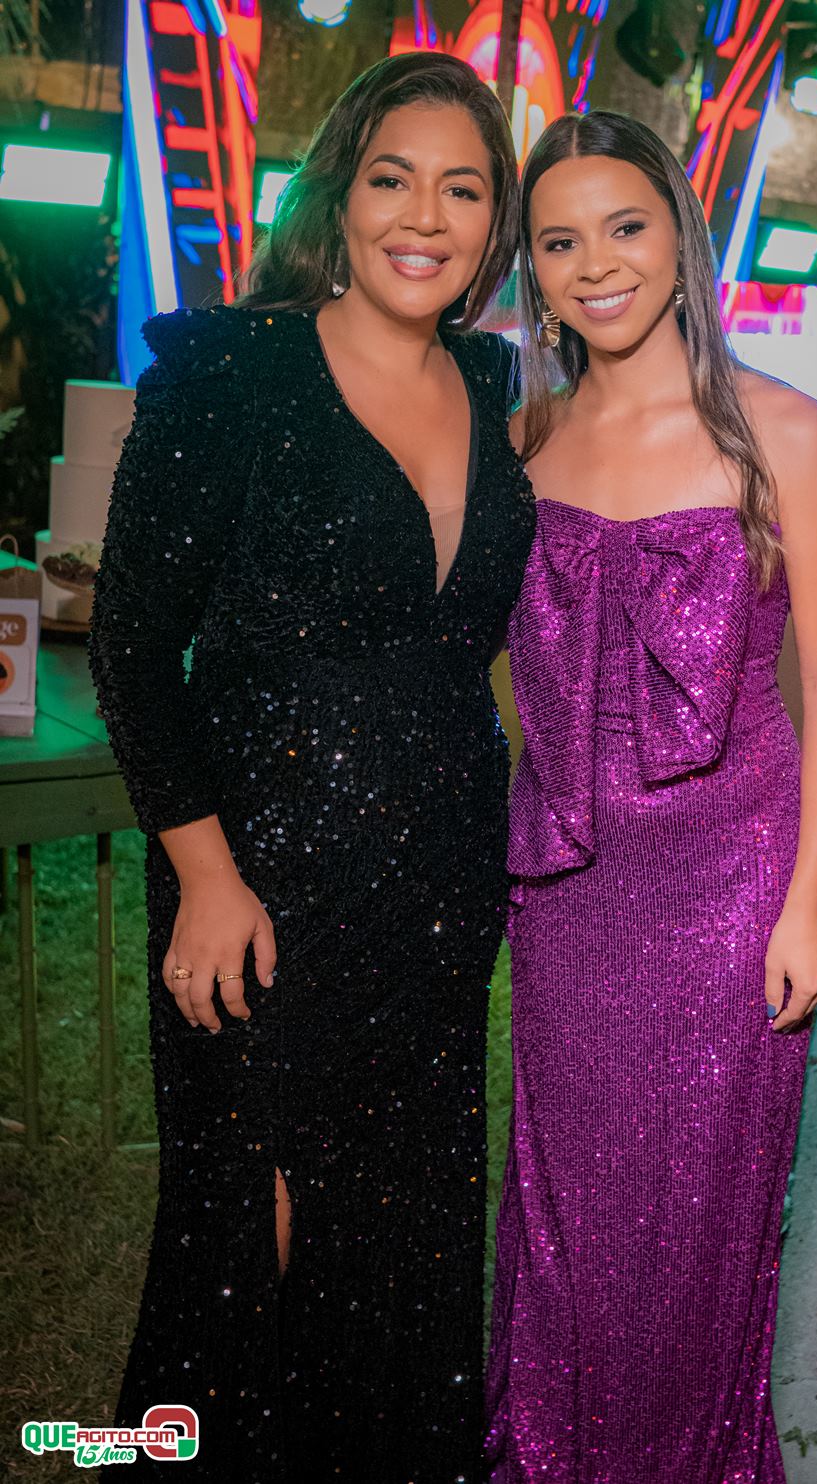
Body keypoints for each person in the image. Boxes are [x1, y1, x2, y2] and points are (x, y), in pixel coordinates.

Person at [88, 52, 534, 1483]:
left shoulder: (493, 381)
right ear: (339, 195)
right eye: (393, 178)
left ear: (496, 221)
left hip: (439, 893)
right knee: (249, 1229)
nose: (425, 216)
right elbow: (132, 649)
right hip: (264, 888)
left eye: (463, 188)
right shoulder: (233, 373)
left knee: (402, 1231)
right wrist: (204, 877)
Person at [485, 110, 817, 1482]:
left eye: (625, 226)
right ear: (532, 269)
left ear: (682, 235)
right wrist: (556, 772)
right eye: (558, 241)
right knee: (569, 1209)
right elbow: (503, 658)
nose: (596, 264)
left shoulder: (785, 432)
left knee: (698, 1218)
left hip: (731, 897)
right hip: (571, 898)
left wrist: (807, 905)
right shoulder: (521, 440)